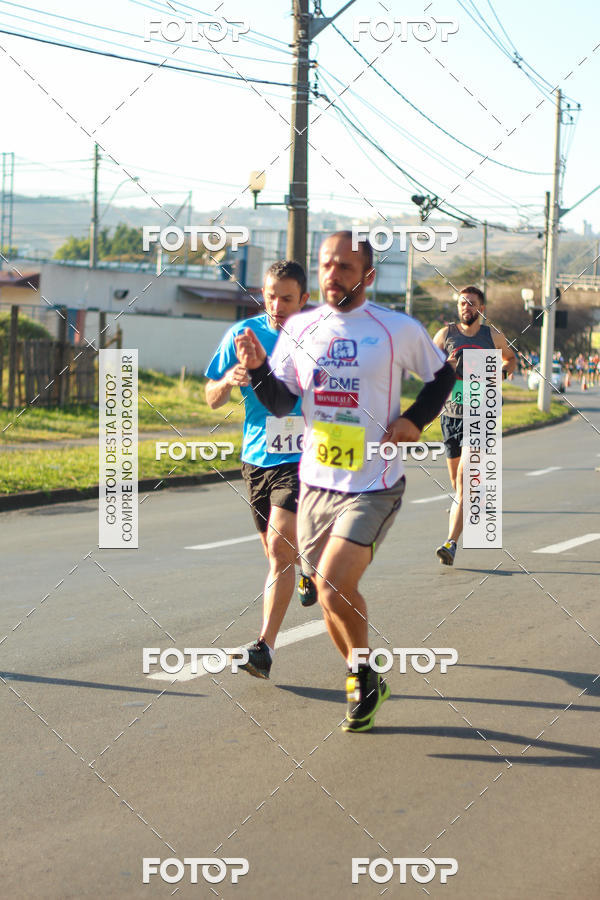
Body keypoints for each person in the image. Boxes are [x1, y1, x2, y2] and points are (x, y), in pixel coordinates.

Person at [234, 231, 455, 732]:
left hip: (373, 483)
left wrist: (415, 419)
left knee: (333, 584)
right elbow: (282, 403)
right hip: (316, 485)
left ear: (368, 276)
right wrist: (259, 368)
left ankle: (360, 676)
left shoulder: (395, 328)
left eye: (345, 267)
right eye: (327, 265)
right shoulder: (302, 328)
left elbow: (442, 376)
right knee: (327, 593)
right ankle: (363, 672)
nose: (333, 275)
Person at [204, 260, 316, 680]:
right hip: (256, 458)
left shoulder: (317, 337)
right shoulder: (243, 335)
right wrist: (228, 381)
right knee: (275, 553)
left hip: (302, 456)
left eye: (287, 298)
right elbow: (211, 398)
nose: (277, 305)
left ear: (304, 299)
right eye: (271, 296)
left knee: (278, 544)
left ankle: (264, 647)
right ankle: (308, 568)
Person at [433, 287, 517, 566]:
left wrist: (500, 372)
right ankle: (467, 506)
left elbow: (510, 359)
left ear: (482, 309)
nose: (466, 307)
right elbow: (426, 365)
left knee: (464, 481)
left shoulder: (492, 336)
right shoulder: (445, 335)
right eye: (462, 303)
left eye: (471, 303)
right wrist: (442, 368)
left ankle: (450, 543)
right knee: (457, 483)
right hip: (451, 416)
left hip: (480, 415)